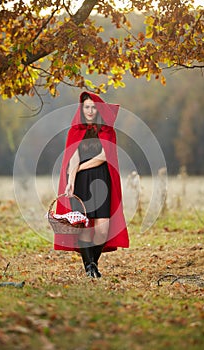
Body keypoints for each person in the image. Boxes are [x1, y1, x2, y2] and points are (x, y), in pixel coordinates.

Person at [54, 91, 129, 278]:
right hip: (81, 183)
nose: (89, 111)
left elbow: (104, 157)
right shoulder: (76, 130)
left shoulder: (106, 130)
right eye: (86, 107)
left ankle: (92, 263)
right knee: (85, 228)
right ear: (82, 109)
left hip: (101, 180)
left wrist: (79, 168)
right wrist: (70, 181)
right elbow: (73, 157)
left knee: (102, 230)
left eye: (93, 107)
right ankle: (90, 268)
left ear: (98, 109)